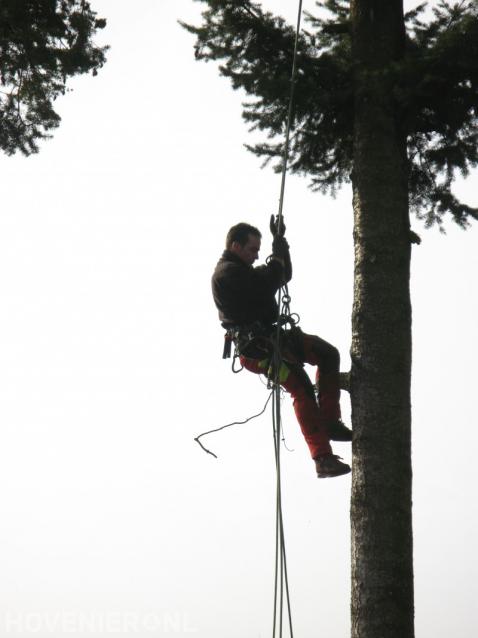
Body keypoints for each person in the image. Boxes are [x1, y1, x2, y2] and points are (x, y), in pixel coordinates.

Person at [211, 219, 352, 478]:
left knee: (327, 354)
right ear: (235, 246)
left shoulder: (242, 270)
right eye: (252, 249)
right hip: (257, 350)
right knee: (300, 385)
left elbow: (282, 274)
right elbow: (268, 281)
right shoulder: (227, 274)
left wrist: (280, 243)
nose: (255, 256)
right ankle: (322, 458)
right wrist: (275, 257)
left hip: (273, 339)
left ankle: (330, 421)